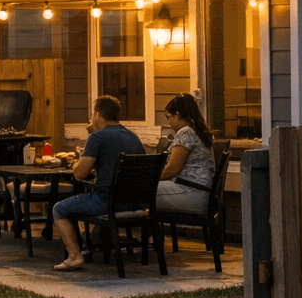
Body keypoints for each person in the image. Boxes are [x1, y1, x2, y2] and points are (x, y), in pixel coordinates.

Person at [50, 95, 146, 271]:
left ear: (98, 116)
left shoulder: (97, 137)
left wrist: (80, 156)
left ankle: (75, 256)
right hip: (136, 202)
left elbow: (79, 174)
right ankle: (89, 245)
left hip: (108, 202)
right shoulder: (133, 137)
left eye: (93, 115)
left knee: (59, 209)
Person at [157, 93, 217, 214]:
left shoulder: (185, 132)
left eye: (168, 117)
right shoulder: (199, 130)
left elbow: (172, 169)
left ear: (177, 115)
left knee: (139, 191)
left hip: (189, 192)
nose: (168, 122)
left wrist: (149, 178)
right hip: (200, 192)